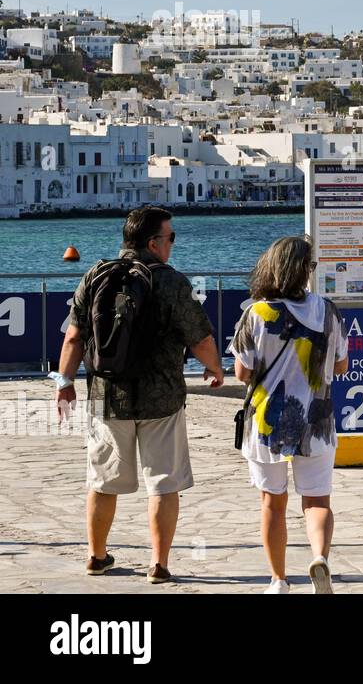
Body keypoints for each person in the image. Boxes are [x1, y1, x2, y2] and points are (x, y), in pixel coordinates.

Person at [54, 206, 224, 584]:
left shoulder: (96, 275)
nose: (172, 245)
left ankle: (97, 556)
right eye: (171, 237)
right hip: (161, 399)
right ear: (153, 243)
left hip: (106, 396)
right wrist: (214, 369)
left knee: (102, 481)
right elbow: (202, 339)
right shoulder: (172, 282)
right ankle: (159, 565)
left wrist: (64, 382)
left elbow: (74, 336)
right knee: (164, 482)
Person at [231, 235, 347, 594]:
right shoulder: (327, 311)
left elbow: (242, 372)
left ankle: (278, 579)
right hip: (318, 419)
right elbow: (341, 366)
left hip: (267, 421)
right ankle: (319, 558)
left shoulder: (256, 314)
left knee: (272, 501)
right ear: (305, 271)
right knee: (317, 500)